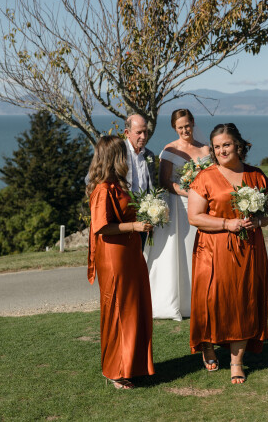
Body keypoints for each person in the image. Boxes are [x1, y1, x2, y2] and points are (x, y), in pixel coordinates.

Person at [187, 123, 268, 384]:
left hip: (250, 249)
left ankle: (236, 362)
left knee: (244, 301)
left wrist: (258, 221)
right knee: (211, 301)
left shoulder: (256, 176)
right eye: (217, 147)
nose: (221, 151)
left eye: (226, 145)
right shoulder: (205, 177)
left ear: (238, 145)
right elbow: (195, 217)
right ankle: (207, 345)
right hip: (213, 250)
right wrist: (227, 224)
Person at [86, 135, 155, 390]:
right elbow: (101, 226)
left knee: (133, 308)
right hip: (114, 257)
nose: (127, 157)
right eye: (123, 153)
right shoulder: (103, 189)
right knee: (118, 310)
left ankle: (132, 365)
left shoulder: (118, 184)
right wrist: (135, 226)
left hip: (130, 252)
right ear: (115, 157)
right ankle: (115, 371)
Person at [144, 109, 210, 321]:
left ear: (193, 123)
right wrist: (189, 192)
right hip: (178, 208)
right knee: (178, 253)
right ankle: (178, 302)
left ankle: (202, 299)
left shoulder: (206, 149)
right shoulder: (169, 149)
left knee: (199, 252)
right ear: (175, 128)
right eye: (180, 127)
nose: (185, 130)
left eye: (187, 125)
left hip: (203, 208)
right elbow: (164, 182)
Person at [124, 114, 157, 248]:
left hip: (143, 219)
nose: (143, 136)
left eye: (145, 132)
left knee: (139, 255)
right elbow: (91, 179)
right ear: (127, 133)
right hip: (122, 219)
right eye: (139, 132)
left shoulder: (149, 155)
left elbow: (151, 187)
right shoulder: (117, 152)